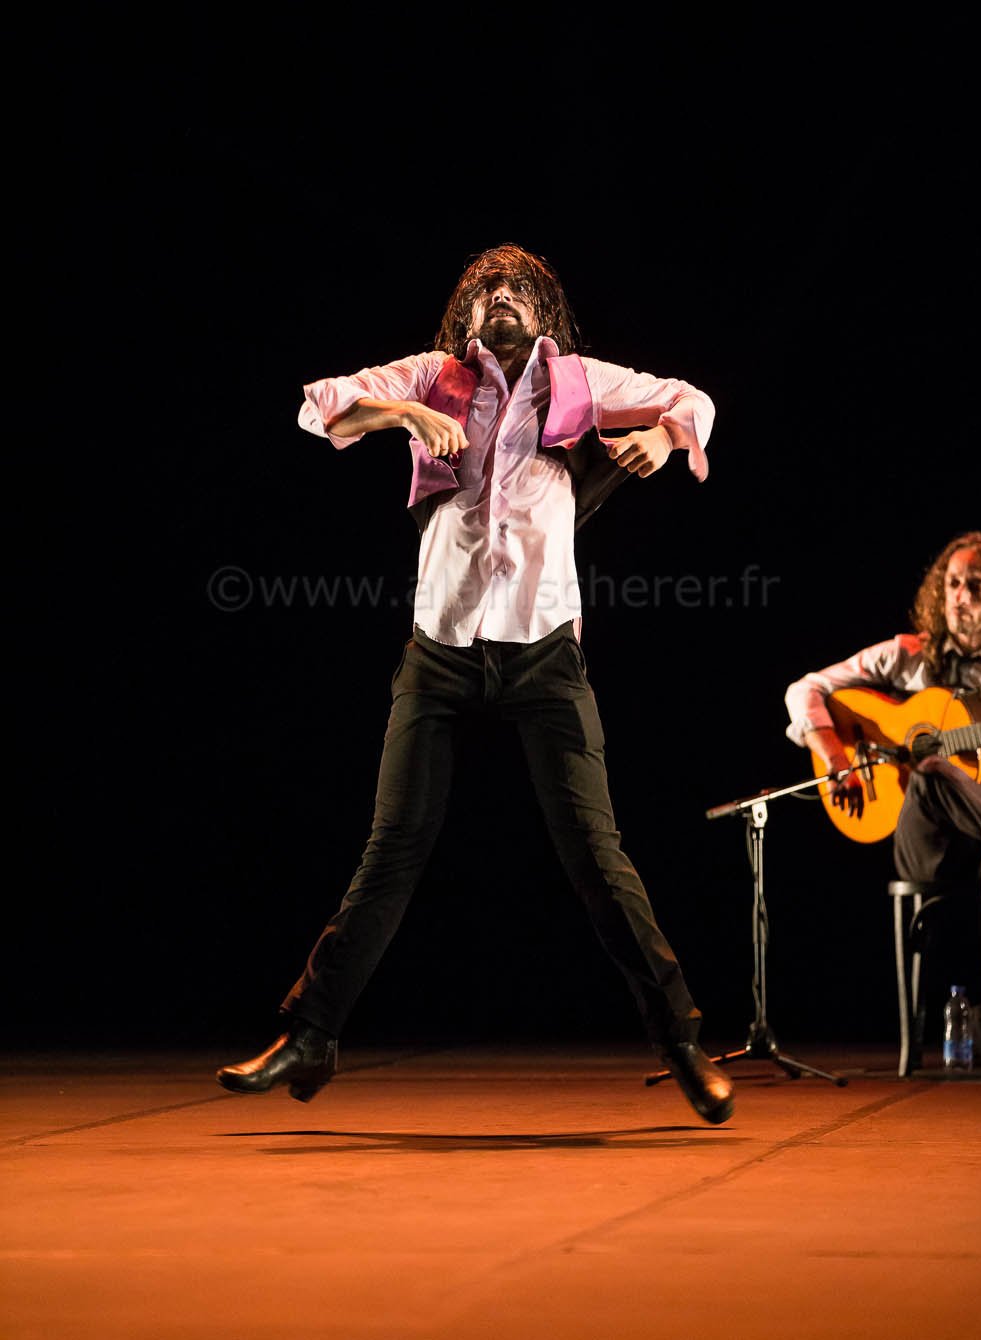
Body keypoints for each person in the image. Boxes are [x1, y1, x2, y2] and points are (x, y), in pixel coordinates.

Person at [217, 243, 734, 1123]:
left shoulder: (576, 381)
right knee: (391, 848)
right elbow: (319, 406)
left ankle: (683, 1043)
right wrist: (404, 415)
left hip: (544, 651)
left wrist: (661, 432)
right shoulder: (434, 376)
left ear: (544, 312)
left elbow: (695, 399)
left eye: (518, 288)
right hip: (442, 649)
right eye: (486, 288)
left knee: (597, 856)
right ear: (465, 314)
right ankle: (312, 1036)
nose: (502, 295)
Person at [784, 532, 981, 1074]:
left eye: (975, 585)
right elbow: (804, 689)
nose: (960, 597)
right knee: (932, 772)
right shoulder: (910, 655)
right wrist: (835, 757)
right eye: (953, 584)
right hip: (927, 844)